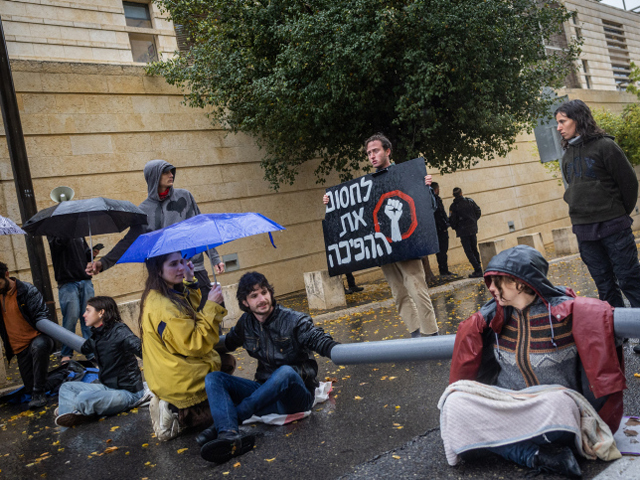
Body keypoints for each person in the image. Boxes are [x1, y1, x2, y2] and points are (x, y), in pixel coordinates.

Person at [440, 246, 625, 477]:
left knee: (561, 403)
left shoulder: (567, 314)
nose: (491, 288)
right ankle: (536, 455)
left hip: (549, 409)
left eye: (498, 281)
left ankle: (495, 440)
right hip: (507, 405)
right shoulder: (493, 319)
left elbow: (609, 345)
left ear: (520, 282)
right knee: (453, 403)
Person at [199, 271, 339, 464]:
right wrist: (195, 345)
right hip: (264, 394)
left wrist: (335, 349)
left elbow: (316, 337)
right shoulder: (246, 323)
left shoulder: (293, 320)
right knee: (214, 378)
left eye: (264, 292)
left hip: (296, 396)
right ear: (245, 303)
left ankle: (226, 423)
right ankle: (229, 437)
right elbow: (227, 343)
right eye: (254, 296)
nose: (262, 299)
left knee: (285, 372)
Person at [322, 133, 438, 338]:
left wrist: (425, 188)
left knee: (416, 287)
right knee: (398, 292)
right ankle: (415, 332)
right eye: (368, 153)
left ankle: (431, 333)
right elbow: (358, 214)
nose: (372, 156)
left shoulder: (407, 174)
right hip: (382, 247)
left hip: (408, 244)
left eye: (375, 151)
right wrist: (332, 203)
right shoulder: (368, 185)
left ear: (387, 151)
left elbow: (430, 207)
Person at [555, 99, 640, 353]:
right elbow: (572, 189)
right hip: (584, 230)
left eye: (563, 121)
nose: (558, 127)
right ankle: (619, 334)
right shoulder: (567, 155)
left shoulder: (606, 146)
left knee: (629, 279)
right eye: (557, 122)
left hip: (614, 226)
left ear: (578, 120)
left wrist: (617, 213)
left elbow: (629, 184)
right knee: (604, 284)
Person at [86, 159, 225, 307]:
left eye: (171, 171)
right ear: (154, 177)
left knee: (210, 312)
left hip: (193, 269)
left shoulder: (185, 197)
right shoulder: (144, 211)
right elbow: (129, 241)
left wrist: (215, 258)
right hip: (166, 278)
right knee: (183, 322)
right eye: (165, 172)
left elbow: (201, 229)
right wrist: (103, 263)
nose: (171, 175)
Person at [138, 251, 228, 441]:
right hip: (178, 378)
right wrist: (211, 305)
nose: (181, 267)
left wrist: (189, 280)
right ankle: (176, 414)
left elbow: (186, 311)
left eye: (182, 261)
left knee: (225, 363)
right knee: (230, 406)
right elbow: (195, 343)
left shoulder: (162, 292)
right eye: (173, 264)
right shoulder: (164, 307)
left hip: (172, 371)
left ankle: (177, 405)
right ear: (158, 270)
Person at [55, 296, 145, 427]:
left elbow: (143, 350)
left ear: (101, 312)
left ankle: (72, 408)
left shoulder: (120, 332)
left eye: (88, 310)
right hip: (107, 388)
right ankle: (71, 412)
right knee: (67, 387)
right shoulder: (97, 334)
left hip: (128, 393)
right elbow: (84, 348)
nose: (84, 314)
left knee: (83, 398)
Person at [0, 261, 55, 408]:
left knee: (39, 346)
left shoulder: (27, 291)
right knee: (30, 388)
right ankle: (64, 374)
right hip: (19, 348)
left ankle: (39, 393)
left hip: (37, 339)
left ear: (6, 275)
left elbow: (42, 316)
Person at [48, 236, 95, 363]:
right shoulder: (54, 233)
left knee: (89, 318)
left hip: (85, 280)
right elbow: (58, 245)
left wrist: (92, 254)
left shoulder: (78, 232)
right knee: (70, 318)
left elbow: (85, 255)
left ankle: (91, 352)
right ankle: (66, 353)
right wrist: (67, 232)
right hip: (67, 282)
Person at [449, 187, 482, 278]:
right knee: (474, 249)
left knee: (468, 251)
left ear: (453, 195)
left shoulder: (453, 206)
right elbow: (478, 211)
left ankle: (478, 269)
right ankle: (478, 267)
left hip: (463, 231)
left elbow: (452, 220)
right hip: (472, 229)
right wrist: (473, 222)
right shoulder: (469, 201)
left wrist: (456, 227)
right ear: (461, 193)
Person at [431, 182, 453, 276]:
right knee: (442, 251)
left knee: (442, 251)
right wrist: (444, 225)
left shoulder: (432, 200)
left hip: (438, 229)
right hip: (440, 229)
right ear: (436, 189)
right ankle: (443, 270)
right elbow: (440, 215)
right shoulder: (435, 200)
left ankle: (444, 269)